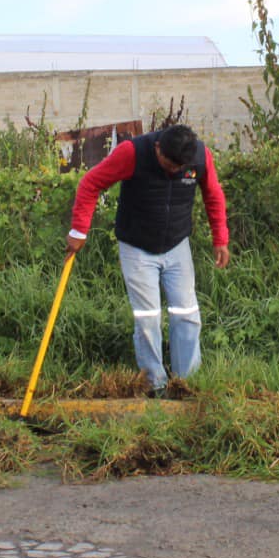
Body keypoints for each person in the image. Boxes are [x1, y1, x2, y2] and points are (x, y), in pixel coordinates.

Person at [67, 123, 230, 396]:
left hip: (177, 244)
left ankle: (185, 383)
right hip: (137, 246)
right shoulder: (131, 152)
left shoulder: (200, 156)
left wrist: (220, 238)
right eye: (169, 165)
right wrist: (78, 230)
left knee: (187, 314)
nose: (174, 171)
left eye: (180, 167)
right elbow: (90, 183)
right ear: (157, 148)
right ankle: (155, 385)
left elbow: (213, 193)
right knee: (147, 318)